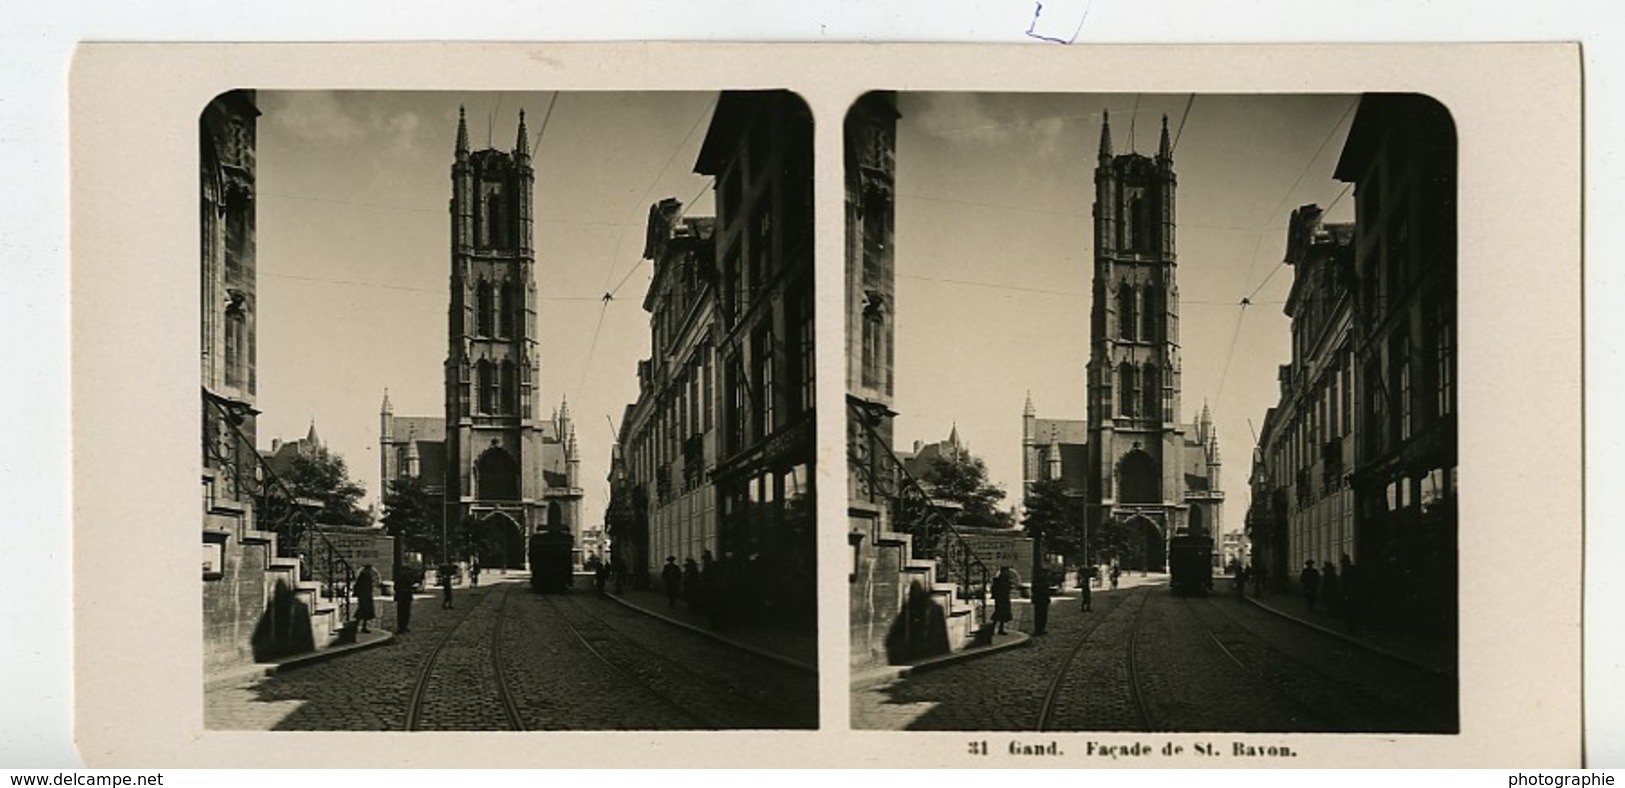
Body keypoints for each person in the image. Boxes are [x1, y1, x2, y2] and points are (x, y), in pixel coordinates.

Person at [353, 564, 377, 633]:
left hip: (365, 596)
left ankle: (361, 626)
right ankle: (357, 626)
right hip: (365, 596)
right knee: (362, 611)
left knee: (364, 612)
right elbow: (362, 586)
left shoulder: (364, 575)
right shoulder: (365, 576)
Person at [991, 567, 1014, 635]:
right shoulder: (999, 580)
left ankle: (1000, 628)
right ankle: (993, 628)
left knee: (1003, 615)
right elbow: (997, 589)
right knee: (999, 614)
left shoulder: (1003, 579)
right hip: (1001, 599)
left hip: (1004, 598)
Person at [393, 563, 415, 633]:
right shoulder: (406, 576)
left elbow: (395, 587)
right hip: (405, 596)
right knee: (405, 612)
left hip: (400, 596)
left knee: (401, 612)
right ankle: (403, 627)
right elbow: (409, 586)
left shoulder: (399, 576)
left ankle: (401, 627)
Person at [1031, 569, 1051, 635]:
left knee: (1042, 615)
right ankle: (1038, 629)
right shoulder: (1039, 581)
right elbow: (1034, 589)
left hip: (1042, 600)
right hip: (1040, 600)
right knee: (1039, 615)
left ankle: (1041, 629)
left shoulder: (1043, 581)